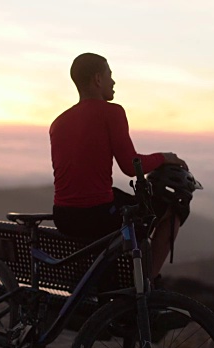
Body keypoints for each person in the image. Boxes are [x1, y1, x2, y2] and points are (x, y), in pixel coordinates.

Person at [50, 53, 188, 281]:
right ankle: (147, 284)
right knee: (174, 209)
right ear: (97, 79)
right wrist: (164, 157)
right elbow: (130, 166)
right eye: (109, 75)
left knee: (121, 199)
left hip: (64, 216)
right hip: (97, 216)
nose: (113, 82)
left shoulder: (58, 122)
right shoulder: (112, 112)